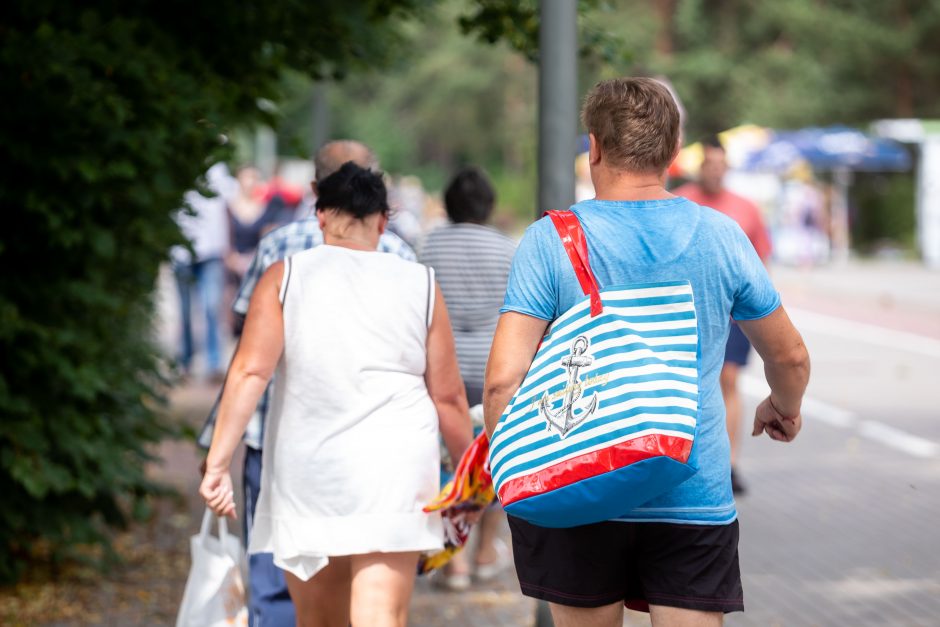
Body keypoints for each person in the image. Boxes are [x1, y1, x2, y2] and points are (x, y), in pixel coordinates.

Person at [484, 77, 810, 626]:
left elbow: (501, 383)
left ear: (595, 146)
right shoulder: (721, 235)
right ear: (674, 151)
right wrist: (784, 405)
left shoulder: (549, 240)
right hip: (692, 488)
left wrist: (513, 467)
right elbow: (791, 356)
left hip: (576, 482)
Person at [200, 162, 473, 627]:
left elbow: (249, 372)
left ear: (320, 215)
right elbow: (447, 396)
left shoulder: (285, 278)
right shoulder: (419, 282)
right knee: (381, 616)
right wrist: (468, 482)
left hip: (311, 469)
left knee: (319, 620)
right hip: (397, 469)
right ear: (383, 221)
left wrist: (218, 463)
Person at [418, 167, 516, 588]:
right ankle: (483, 554)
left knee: (447, 465)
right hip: (496, 369)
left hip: (444, 371)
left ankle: (452, 560)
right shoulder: (506, 249)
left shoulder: (429, 247)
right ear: (489, 205)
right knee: (494, 466)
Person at [674, 136, 774, 494]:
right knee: (693, 384)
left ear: (727, 167)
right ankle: (686, 459)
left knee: (729, 380)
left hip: (733, 315)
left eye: (720, 165)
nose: (714, 171)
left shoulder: (746, 208)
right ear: (700, 167)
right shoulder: (680, 201)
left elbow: (761, 259)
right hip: (688, 313)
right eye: (708, 165)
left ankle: (730, 464)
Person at [171, 162, 233, 381]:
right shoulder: (178, 164)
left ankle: (213, 364)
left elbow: (229, 208)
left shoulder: (218, 169)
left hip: (212, 251)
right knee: (185, 312)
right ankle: (184, 361)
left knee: (211, 308)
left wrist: (228, 247)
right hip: (181, 251)